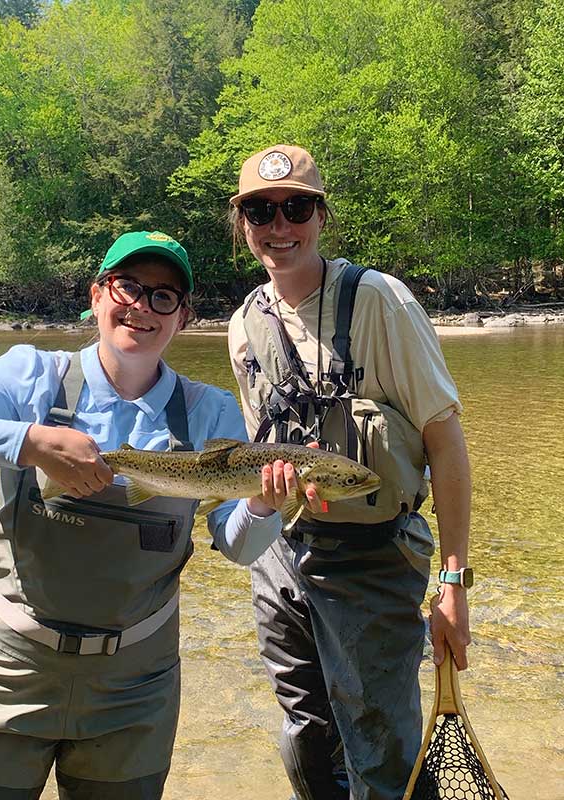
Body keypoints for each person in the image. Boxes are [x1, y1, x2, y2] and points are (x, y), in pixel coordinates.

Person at [0, 230, 317, 799]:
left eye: (164, 297)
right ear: (98, 294)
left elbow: (234, 543)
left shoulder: (209, 410)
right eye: (129, 286)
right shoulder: (29, 374)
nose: (142, 306)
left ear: (182, 318)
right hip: (3, 665)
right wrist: (28, 442)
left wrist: (261, 505)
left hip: (136, 683)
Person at [227, 145, 472, 800]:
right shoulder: (243, 326)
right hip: (282, 560)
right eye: (259, 211)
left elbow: (446, 444)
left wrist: (453, 583)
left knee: (380, 751)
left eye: (296, 208)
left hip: (374, 557)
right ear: (241, 222)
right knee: (306, 738)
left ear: (321, 215)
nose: (279, 227)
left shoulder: (380, 303)